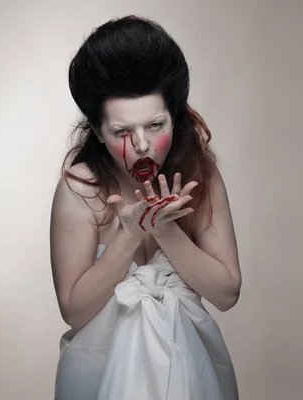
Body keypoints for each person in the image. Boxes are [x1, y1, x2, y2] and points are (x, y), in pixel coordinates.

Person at [50, 15, 241, 400]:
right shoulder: (80, 187)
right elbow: (74, 311)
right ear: (99, 133)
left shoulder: (199, 174)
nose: (141, 144)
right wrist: (129, 236)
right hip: (98, 373)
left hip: (193, 373)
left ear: (175, 116)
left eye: (155, 125)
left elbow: (226, 294)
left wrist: (166, 230)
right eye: (122, 131)